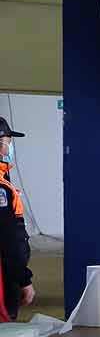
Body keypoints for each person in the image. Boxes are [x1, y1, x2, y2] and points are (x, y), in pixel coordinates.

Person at [0, 118, 34, 320]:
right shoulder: (2, 189)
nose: (9, 147)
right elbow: (9, 239)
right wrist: (24, 279)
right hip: (4, 275)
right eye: (8, 142)